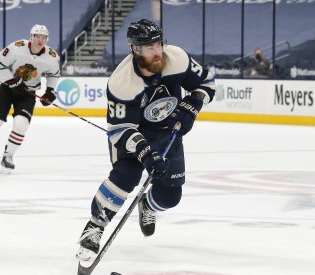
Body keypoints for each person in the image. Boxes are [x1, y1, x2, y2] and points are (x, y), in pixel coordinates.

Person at [76, 19, 216, 261]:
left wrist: (192, 105)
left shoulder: (177, 59)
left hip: (168, 131)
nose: (157, 51)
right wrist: (144, 152)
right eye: (150, 47)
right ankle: (95, 227)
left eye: (159, 44)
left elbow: (207, 81)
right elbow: (120, 130)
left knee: (170, 198)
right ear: (134, 49)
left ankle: (148, 205)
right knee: (125, 176)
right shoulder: (121, 82)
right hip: (133, 135)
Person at [0, 24, 60, 174]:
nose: (40, 40)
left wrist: (50, 91)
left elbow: (54, 74)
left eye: (43, 37)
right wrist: (12, 81)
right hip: (7, 88)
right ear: (31, 37)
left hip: (28, 93)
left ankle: (8, 156)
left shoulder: (51, 57)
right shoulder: (17, 47)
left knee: (21, 124)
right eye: (37, 36)